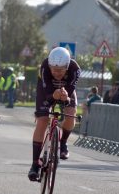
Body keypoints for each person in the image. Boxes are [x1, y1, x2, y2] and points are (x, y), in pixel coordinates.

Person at [28, 47, 81, 181]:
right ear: (50, 66)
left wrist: (65, 97)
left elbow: (70, 91)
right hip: (46, 89)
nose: (57, 73)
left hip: (66, 89)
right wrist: (53, 96)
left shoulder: (75, 69)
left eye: (61, 70)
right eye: (54, 70)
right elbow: (46, 93)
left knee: (71, 112)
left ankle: (63, 142)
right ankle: (35, 163)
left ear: (67, 67)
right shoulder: (45, 66)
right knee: (42, 120)